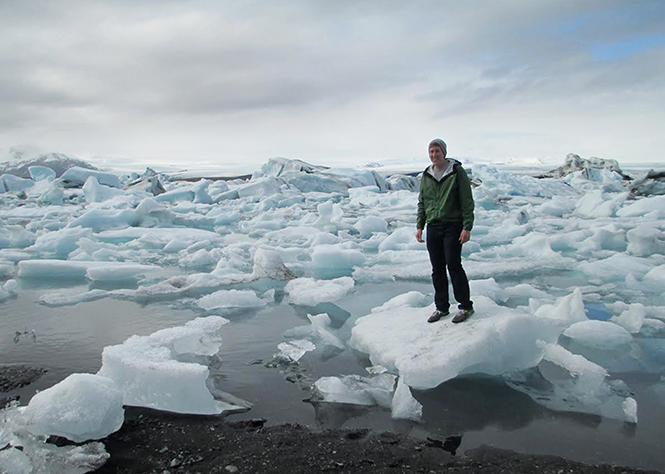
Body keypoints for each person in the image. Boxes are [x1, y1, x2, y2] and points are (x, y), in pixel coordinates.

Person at [416, 138, 475, 323]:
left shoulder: (456, 172)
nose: (434, 155)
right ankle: (441, 307)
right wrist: (420, 225)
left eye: (437, 151)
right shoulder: (427, 174)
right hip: (433, 226)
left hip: (453, 225)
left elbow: (467, 201)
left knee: (454, 265)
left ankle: (466, 306)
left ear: (444, 152)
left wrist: (467, 227)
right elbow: (422, 202)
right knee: (437, 269)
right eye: (431, 151)